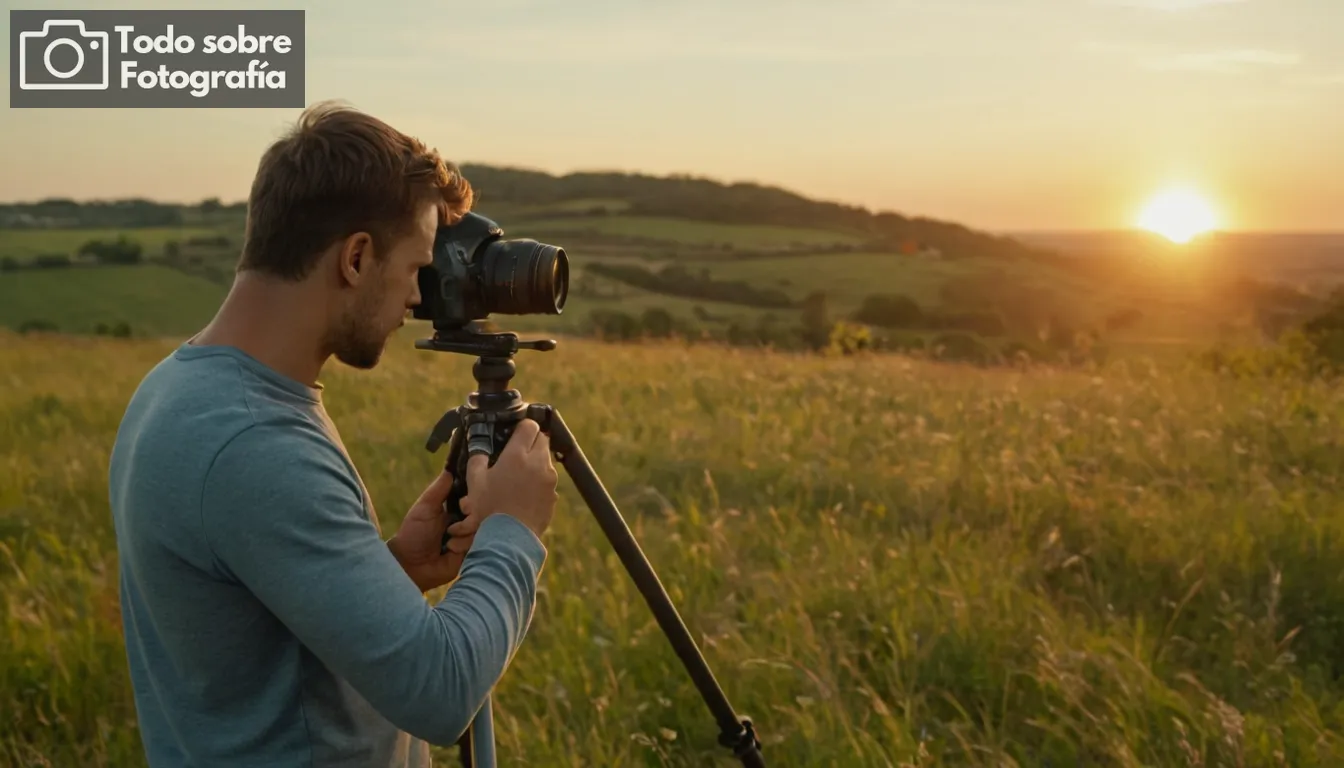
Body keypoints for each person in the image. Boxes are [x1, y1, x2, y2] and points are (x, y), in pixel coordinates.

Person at [107, 100, 559, 767]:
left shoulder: (182, 389)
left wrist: (392, 572)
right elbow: (441, 693)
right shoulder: (254, 441)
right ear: (355, 257)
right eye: (415, 268)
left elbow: (255, 633)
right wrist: (513, 532)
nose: (417, 298)